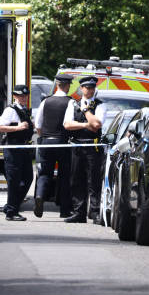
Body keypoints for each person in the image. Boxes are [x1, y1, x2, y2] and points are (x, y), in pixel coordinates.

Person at [63, 76, 106, 224]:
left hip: (92, 146)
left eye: (92, 87)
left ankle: (94, 212)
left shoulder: (100, 105)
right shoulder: (72, 104)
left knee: (93, 181)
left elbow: (97, 124)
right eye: (87, 87)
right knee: (76, 180)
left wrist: (86, 109)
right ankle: (78, 212)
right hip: (76, 146)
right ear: (81, 89)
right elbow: (67, 125)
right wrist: (85, 125)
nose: (90, 90)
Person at [33, 73, 74, 218]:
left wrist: (43, 136)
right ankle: (64, 210)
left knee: (44, 173)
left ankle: (40, 196)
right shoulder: (70, 102)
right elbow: (68, 123)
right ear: (67, 86)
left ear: (57, 85)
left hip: (46, 142)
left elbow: (38, 124)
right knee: (64, 176)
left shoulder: (46, 101)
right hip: (62, 143)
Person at [0, 85, 34, 221]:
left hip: (24, 148)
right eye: (20, 96)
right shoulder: (10, 110)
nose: (23, 98)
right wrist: (18, 128)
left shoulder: (24, 110)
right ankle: (11, 212)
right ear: (15, 96)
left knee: (28, 178)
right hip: (13, 148)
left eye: (25, 96)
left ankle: (11, 206)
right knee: (14, 181)